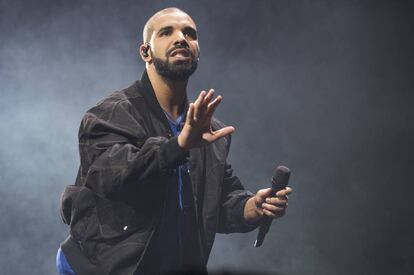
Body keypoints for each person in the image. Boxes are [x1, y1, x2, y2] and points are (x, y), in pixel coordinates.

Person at [57, 7, 292, 275]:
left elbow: (216, 200)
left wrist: (252, 207)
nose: (180, 38)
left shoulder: (209, 130)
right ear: (146, 52)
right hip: (103, 268)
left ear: (198, 52)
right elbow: (109, 177)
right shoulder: (111, 113)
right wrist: (179, 145)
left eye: (189, 33)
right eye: (166, 32)